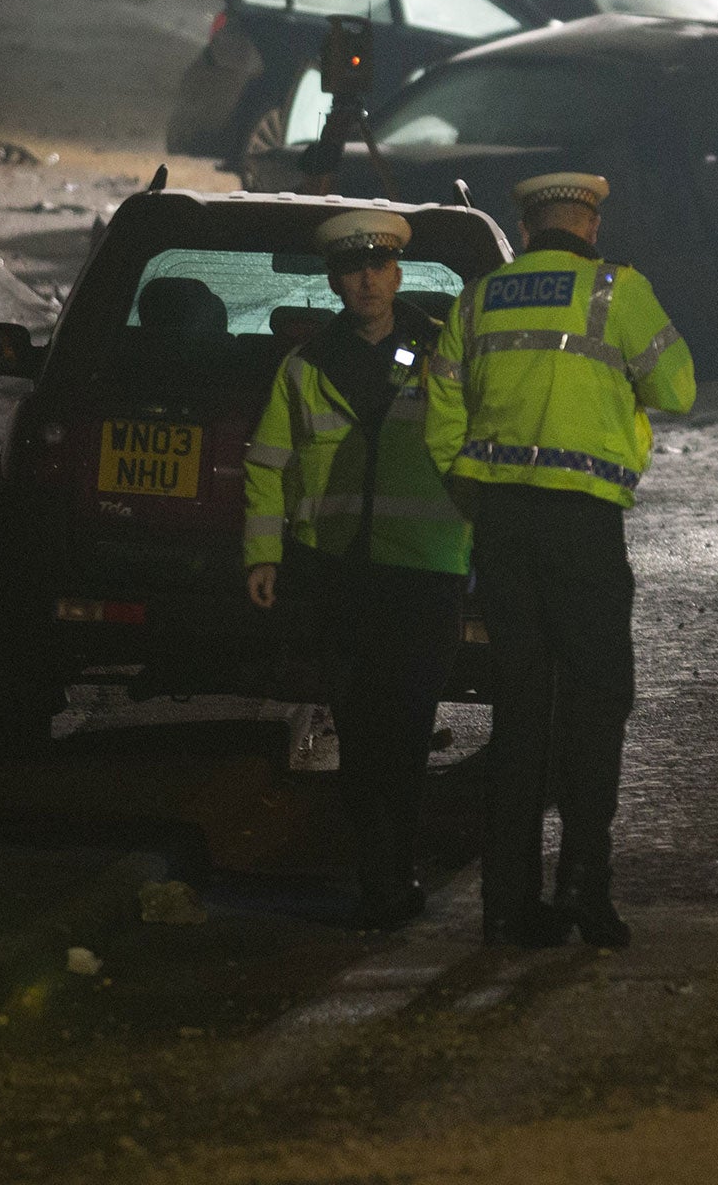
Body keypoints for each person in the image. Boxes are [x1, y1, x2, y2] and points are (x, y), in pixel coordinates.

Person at [424, 172, 696, 948]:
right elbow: (676, 387)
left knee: (519, 710)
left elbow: (441, 404)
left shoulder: (480, 297)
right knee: (596, 699)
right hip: (583, 525)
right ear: (592, 224)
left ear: (526, 222)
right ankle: (584, 883)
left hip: (503, 522)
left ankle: (508, 906)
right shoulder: (618, 290)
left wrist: (468, 488)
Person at [243, 209, 470, 933]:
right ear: (336, 281)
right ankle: (381, 878)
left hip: (426, 572)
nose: (366, 281)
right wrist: (264, 553)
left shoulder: (440, 355)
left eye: (378, 268)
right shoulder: (306, 367)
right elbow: (266, 466)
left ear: (398, 273)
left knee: (403, 733)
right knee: (364, 737)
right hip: (340, 573)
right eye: (352, 270)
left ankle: (388, 875)